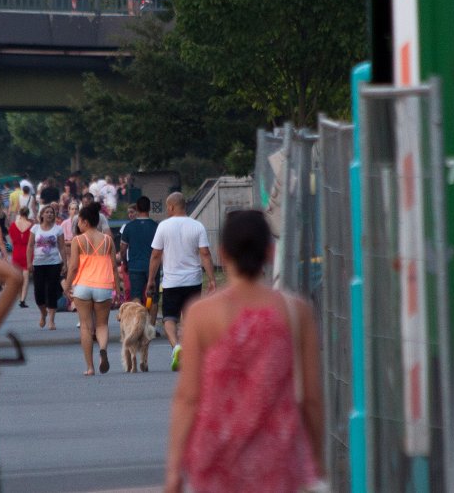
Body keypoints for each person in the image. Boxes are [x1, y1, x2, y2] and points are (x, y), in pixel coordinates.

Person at [163, 210, 325, 492]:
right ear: (270, 252)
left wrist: (175, 469)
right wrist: (317, 461)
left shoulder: (201, 314)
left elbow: (188, 397)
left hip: (215, 459)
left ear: (223, 254)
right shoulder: (296, 312)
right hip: (278, 458)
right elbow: (310, 396)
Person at [146, 192, 217, 371]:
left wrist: (150, 280)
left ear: (171, 207)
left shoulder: (163, 226)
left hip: (171, 281)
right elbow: (205, 254)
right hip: (193, 280)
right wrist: (212, 279)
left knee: (169, 318)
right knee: (190, 317)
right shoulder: (197, 226)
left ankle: (176, 347)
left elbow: (155, 255)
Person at [64, 203, 117, 375]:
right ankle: (102, 350)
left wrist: (68, 285)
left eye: (79, 221)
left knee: (86, 326)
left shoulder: (78, 240)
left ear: (85, 222)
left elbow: (72, 267)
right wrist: (117, 288)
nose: (77, 224)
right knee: (102, 325)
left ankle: (90, 367)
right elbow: (114, 266)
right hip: (103, 286)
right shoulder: (108, 240)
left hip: (83, 286)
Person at [28, 204, 65, 330]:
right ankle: (43, 313)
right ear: (42, 215)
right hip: (38, 263)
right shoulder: (35, 228)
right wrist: (29, 262)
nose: (49, 214)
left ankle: (51, 320)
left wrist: (64, 263)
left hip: (53, 262)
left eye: (51, 212)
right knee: (38, 293)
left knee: (52, 291)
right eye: (47, 212)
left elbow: (61, 247)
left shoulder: (58, 229)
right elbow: (30, 246)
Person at [120, 197, 159, 303]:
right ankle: (151, 320)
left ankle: (138, 318)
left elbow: (123, 249)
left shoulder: (128, 227)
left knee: (136, 296)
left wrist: (125, 262)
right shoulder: (156, 226)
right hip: (152, 267)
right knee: (152, 297)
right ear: (150, 208)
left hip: (135, 266)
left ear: (137, 208)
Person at [8, 205, 33, 307]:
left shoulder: (13, 225)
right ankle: (23, 299)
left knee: (18, 277)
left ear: (19, 213)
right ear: (28, 214)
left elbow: (11, 239)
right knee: (26, 277)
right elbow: (32, 242)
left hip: (16, 251)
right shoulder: (31, 226)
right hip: (27, 252)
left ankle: (19, 296)